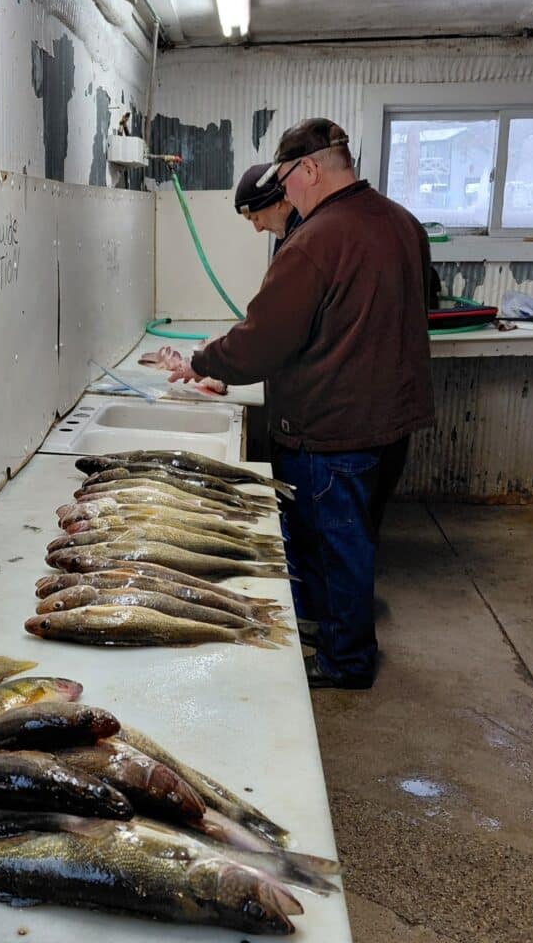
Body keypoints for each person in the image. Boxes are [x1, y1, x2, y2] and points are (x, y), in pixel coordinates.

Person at [169, 118, 435, 689]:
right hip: (391, 423)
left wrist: (202, 363)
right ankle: (328, 630)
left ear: (309, 169)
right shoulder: (404, 224)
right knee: (356, 540)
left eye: (286, 181)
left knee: (333, 546)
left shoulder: (315, 241)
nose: (283, 195)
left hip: (331, 429)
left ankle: (345, 661)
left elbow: (263, 340)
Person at [234, 163, 301, 254]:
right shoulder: (288, 235)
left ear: (276, 202)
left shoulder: (304, 235)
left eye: (256, 218)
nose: (258, 229)